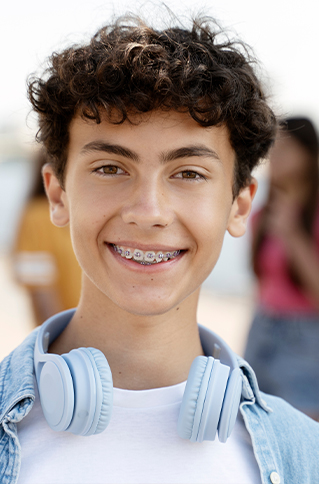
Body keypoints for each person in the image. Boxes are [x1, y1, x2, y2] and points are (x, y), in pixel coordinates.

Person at [1, 14, 318, 484]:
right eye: (110, 168)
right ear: (57, 194)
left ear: (239, 205)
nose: (148, 211)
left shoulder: (305, 456)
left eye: (189, 173)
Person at [244, 117, 319, 421]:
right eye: (273, 147)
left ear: (309, 155)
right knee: (255, 418)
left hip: (306, 335)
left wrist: (292, 235)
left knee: (303, 426)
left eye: (286, 148)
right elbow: (261, 281)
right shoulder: (262, 214)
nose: (275, 156)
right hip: (263, 325)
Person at [12, 149, 82, 326]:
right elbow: (41, 295)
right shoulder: (36, 217)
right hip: (68, 340)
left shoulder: (85, 214)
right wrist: (63, 345)